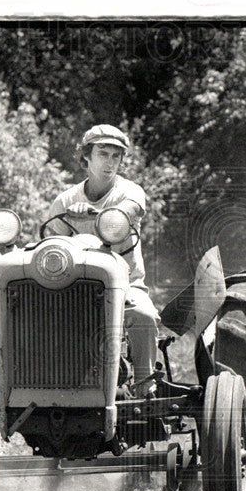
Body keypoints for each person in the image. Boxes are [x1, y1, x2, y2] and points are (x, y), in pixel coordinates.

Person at [45, 124, 161, 397]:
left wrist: (93, 213)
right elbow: (51, 247)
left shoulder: (129, 192)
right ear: (86, 156)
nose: (110, 162)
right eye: (102, 153)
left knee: (143, 316)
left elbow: (128, 212)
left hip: (125, 286)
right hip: (73, 290)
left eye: (116, 156)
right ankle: (44, 382)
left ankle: (146, 388)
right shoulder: (65, 201)